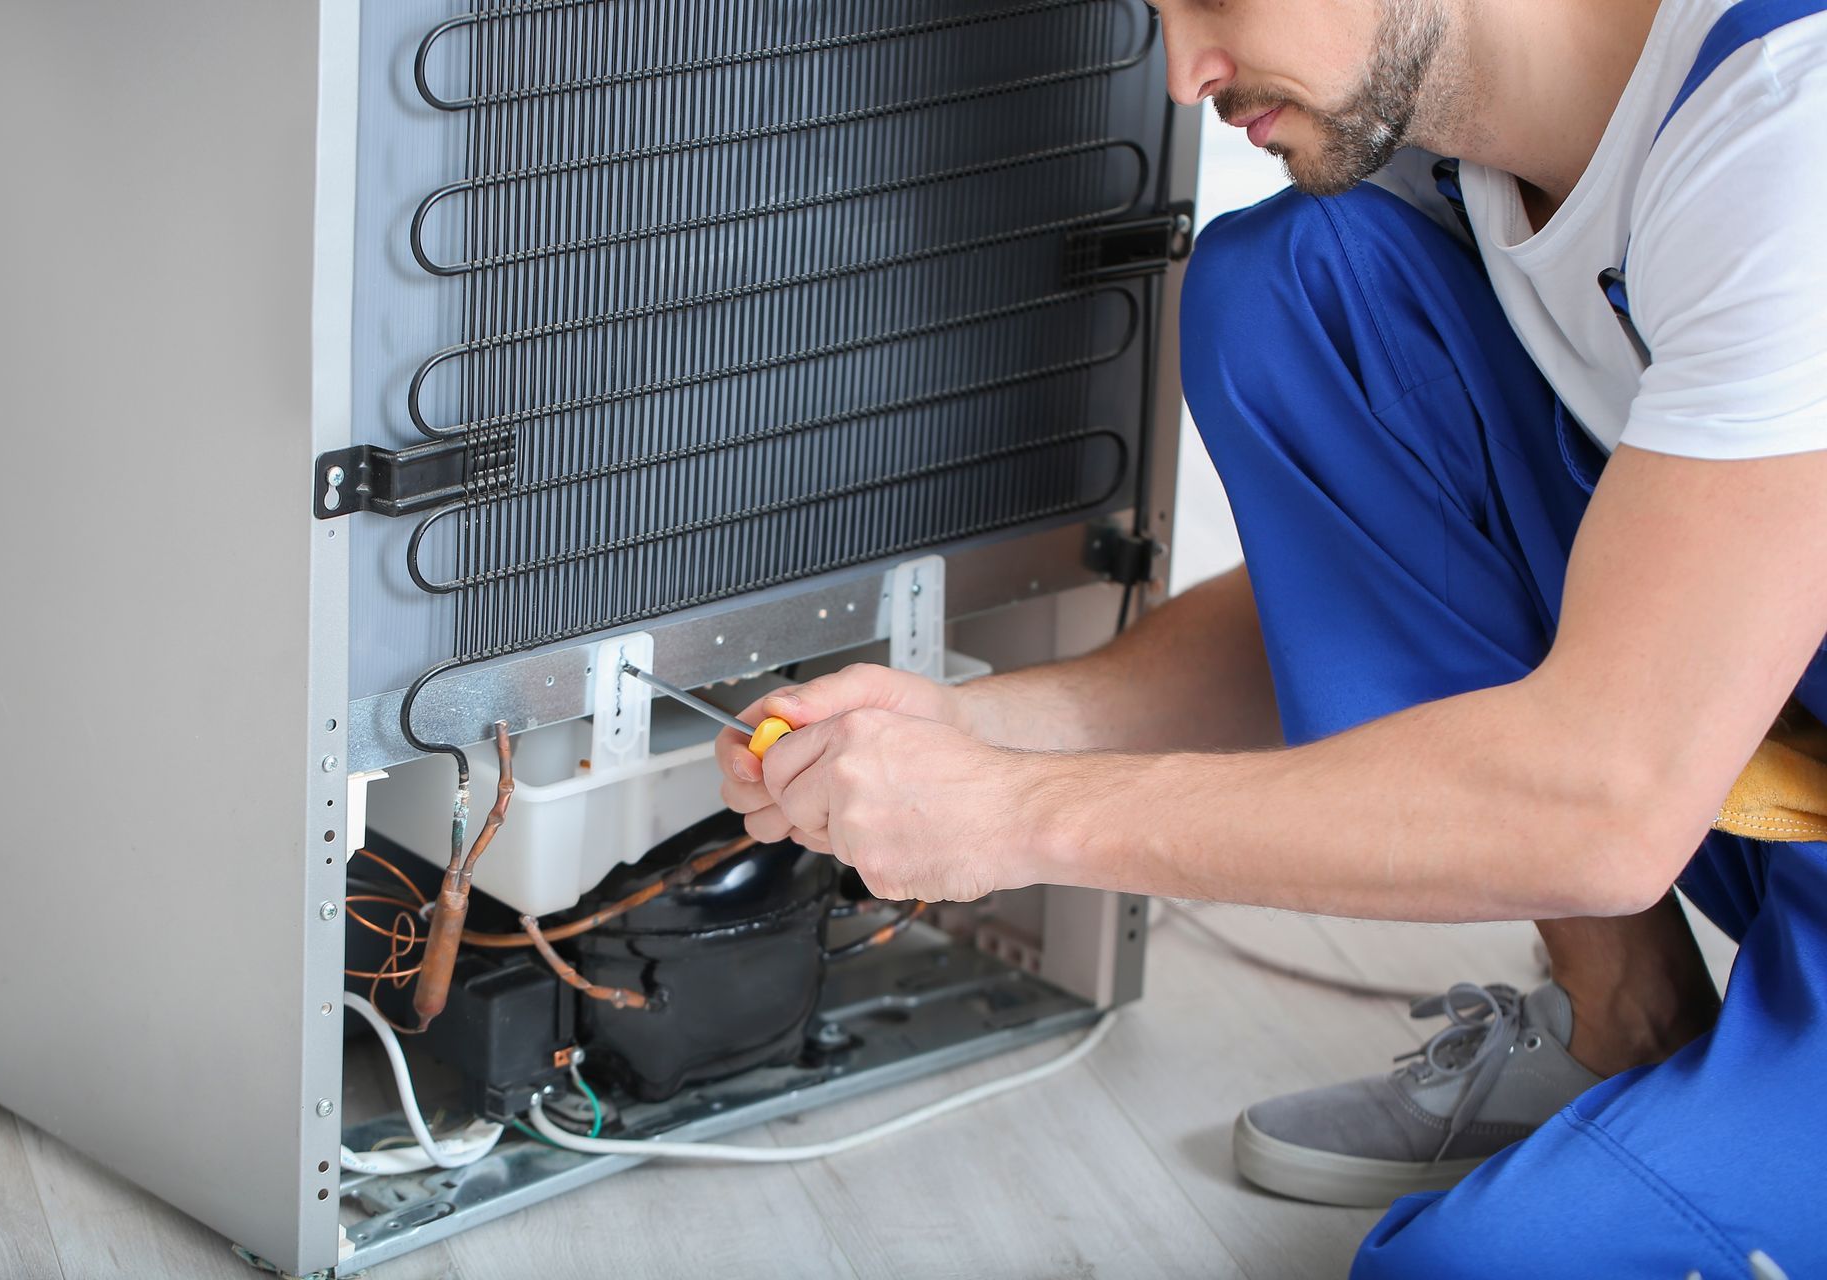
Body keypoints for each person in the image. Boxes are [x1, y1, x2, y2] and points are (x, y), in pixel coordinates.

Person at [715, 0, 1827, 1273]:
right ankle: (1625, 1019)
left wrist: (1017, 815)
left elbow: (1608, 807)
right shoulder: (1440, 159)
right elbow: (1375, 579)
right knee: (1300, 284)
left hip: (1666, 777)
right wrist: (981, 729)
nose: (1186, 73)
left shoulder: (1793, 135)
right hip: (1756, 742)